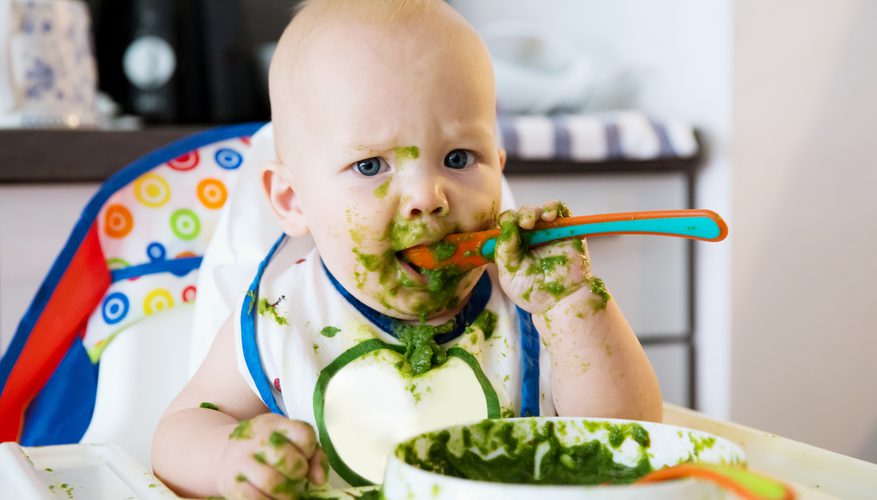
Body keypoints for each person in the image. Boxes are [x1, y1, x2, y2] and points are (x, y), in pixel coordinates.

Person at [151, 0, 663, 497]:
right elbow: (178, 433)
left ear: (498, 169)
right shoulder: (284, 316)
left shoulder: (532, 306)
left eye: (460, 157)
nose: (427, 197)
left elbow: (631, 438)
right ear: (292, 199)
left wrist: (572, 305)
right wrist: (229, 460)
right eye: (371, 166)